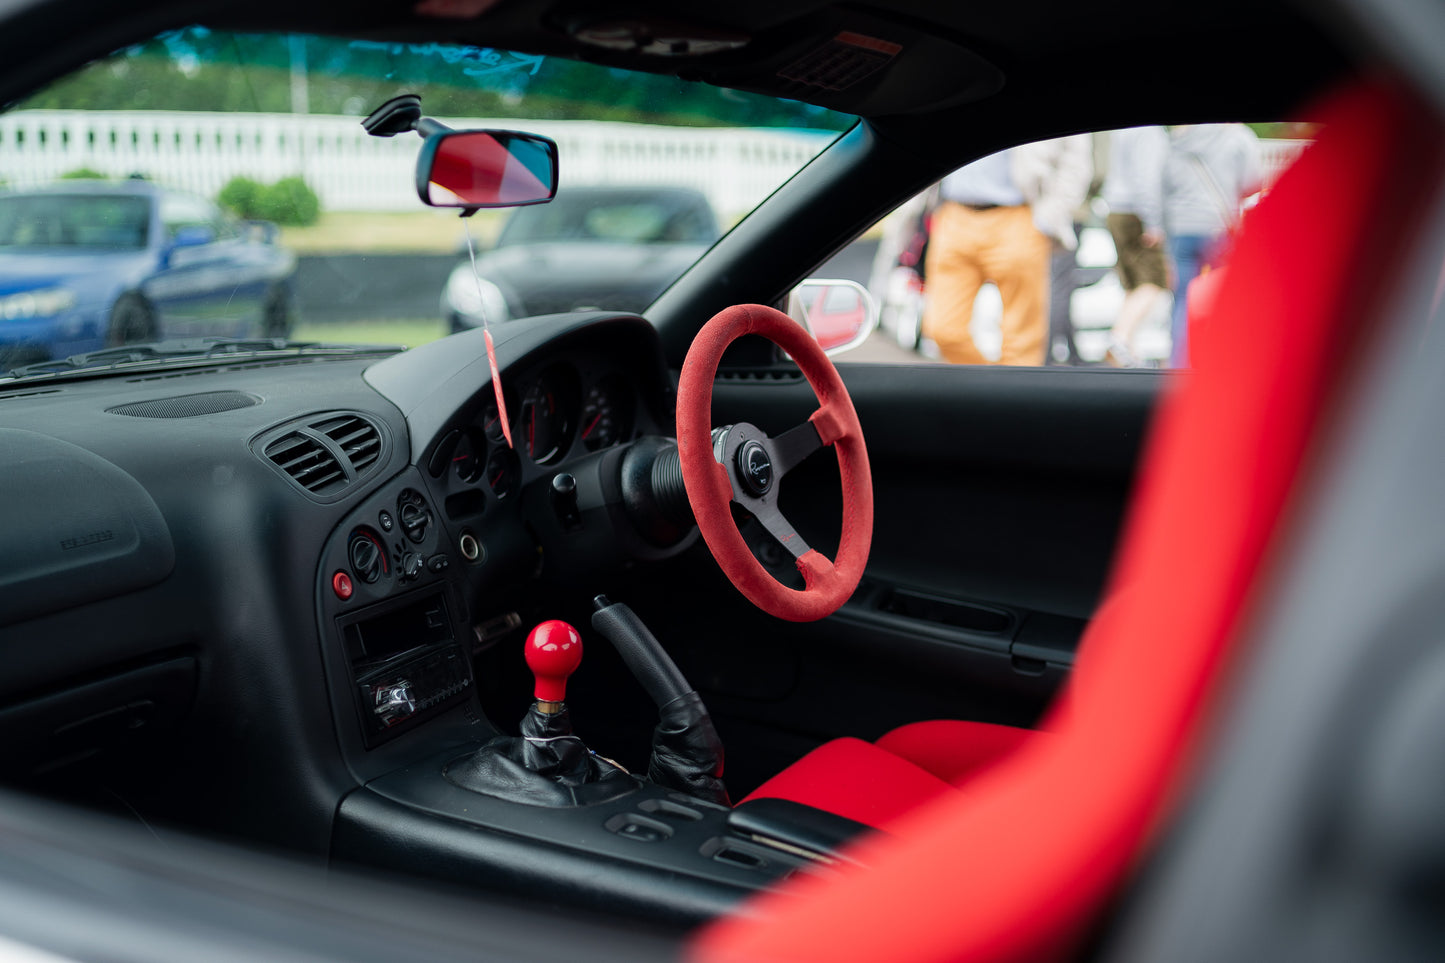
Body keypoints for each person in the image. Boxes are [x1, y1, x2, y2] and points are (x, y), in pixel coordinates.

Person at [921, 135, 1091, 366]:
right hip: (954, 215)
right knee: (942, 331)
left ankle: (1013, 397)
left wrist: (1047, 218)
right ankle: (990, 390)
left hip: (1017, 217)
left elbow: (1076, 162)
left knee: (1023, 341)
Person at [1163, 123, 1262, 366]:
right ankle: (1217, 361)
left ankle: (1179, 364)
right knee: (1220, 297)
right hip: (1218, 227)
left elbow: (1164, 184)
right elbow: (1254, 182)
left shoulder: (1178, 136)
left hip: (1181, 226)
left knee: (1184, 299)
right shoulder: (1239, 136)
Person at [1102, 125, 1170, 367]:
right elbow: (1147, 178)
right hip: (1136, 213)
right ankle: (1118, 339)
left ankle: (1127, 351)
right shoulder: (1150, 132)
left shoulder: (1123, 129)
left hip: (1117, 208)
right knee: (1153, 281)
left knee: (1133, 284)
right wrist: (1155, 222)